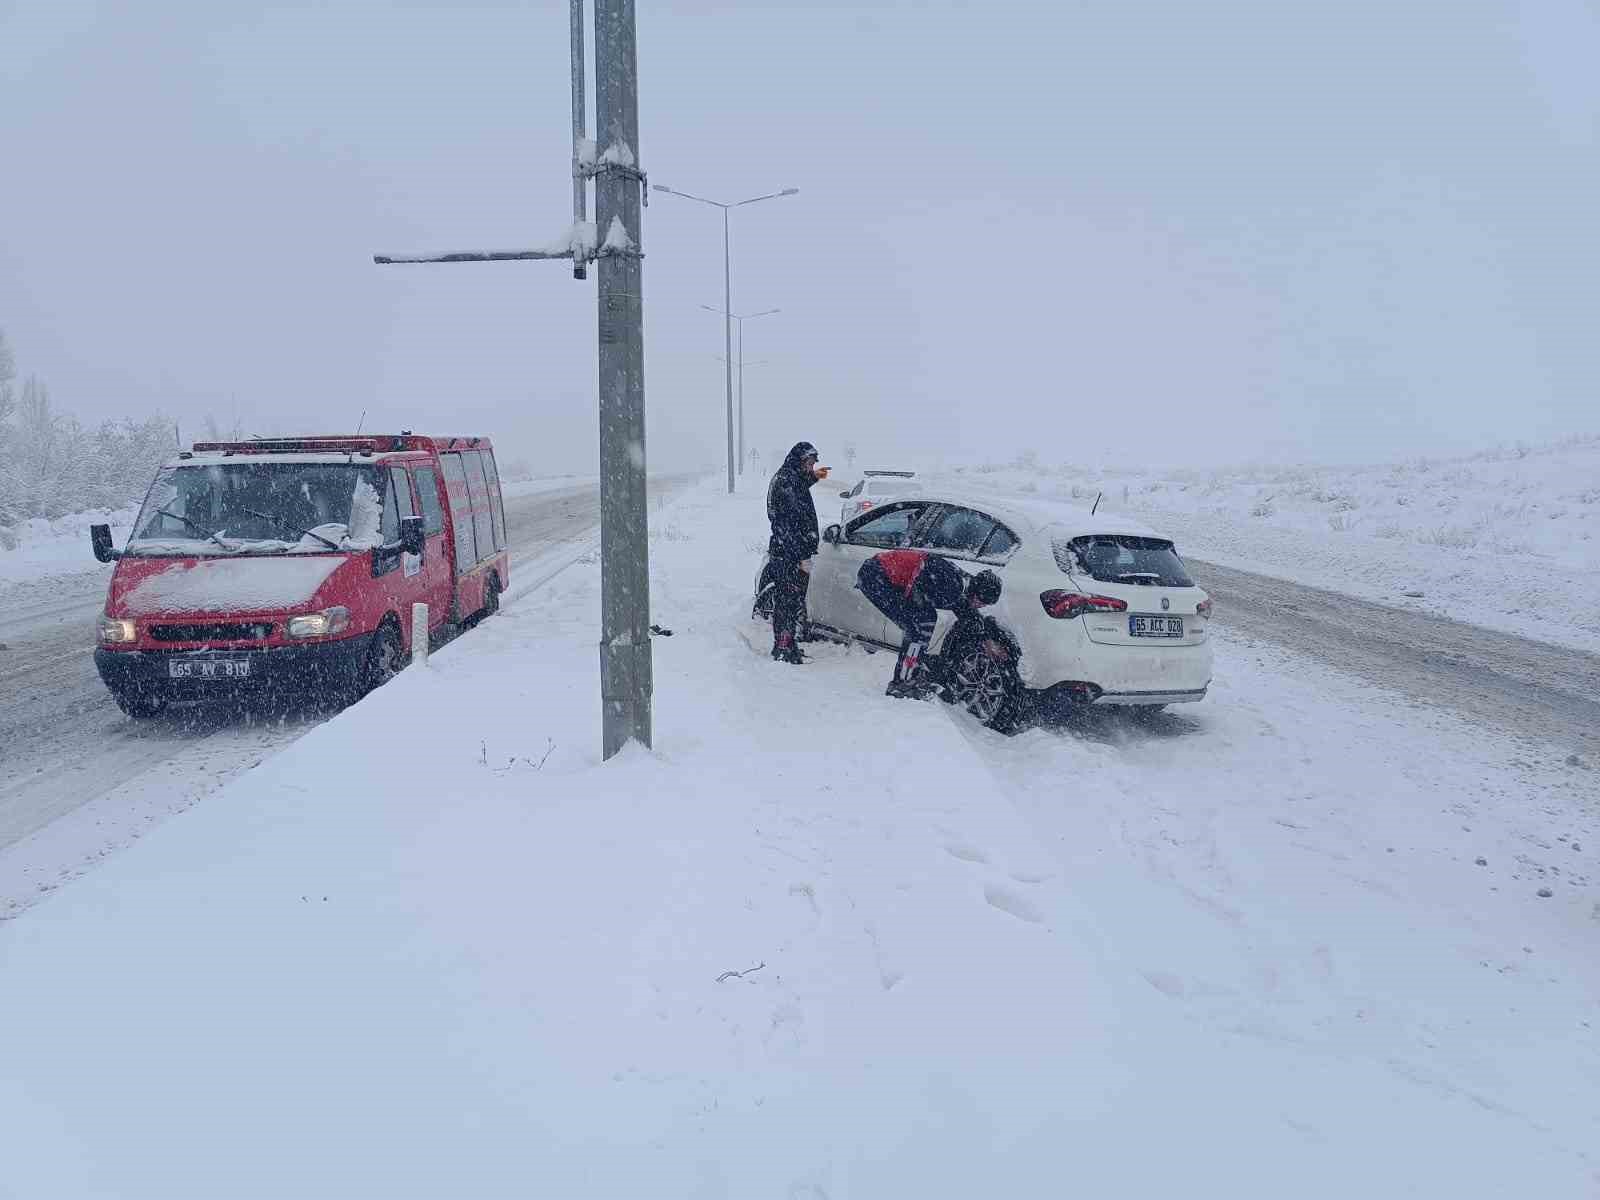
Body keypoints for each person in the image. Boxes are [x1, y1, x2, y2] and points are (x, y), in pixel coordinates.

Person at [856, 550, 1003, 698]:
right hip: (875, 575)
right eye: (983, 603)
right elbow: (919, 593)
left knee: (925, 620)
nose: (982, 606)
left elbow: (966, 611)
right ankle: (902, 683)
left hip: (881, 573)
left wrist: (987, 639)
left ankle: (912, 670)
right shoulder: (952, 587)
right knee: (918, 627)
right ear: (977, 594)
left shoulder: (961, 584)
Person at [766, 441, 829, 663]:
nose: (811, 467)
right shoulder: (785, 483)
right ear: (799, 461)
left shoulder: (790, 478)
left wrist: (815, 477)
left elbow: (800, 485)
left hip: (791, 552)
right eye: (809, 464)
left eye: (813, 464)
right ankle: (783, 648)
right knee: (787, 601)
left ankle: (788, 644)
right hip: (788, 555)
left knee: (792, 601)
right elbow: (789, 526)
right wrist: (801, 556)